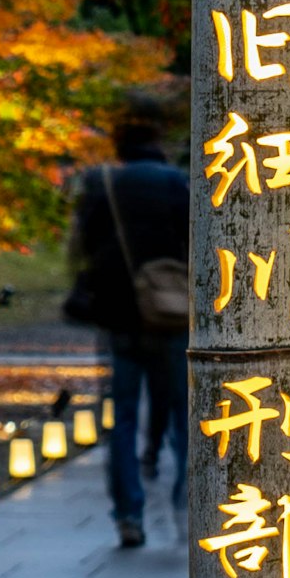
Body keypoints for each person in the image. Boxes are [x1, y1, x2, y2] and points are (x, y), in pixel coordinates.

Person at [63, 112, 191, 547]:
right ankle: (187, 505)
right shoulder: (176, 184)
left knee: (122, 417)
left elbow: (79, 248)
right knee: (181, 413)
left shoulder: (103, 184)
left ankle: (128, 513)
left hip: (118, 315)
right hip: (170, 312)